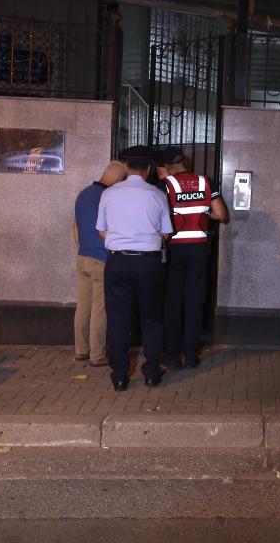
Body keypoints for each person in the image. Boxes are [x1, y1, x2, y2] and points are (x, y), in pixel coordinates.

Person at [96, 146, 174, 391]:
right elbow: (166, 233)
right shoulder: (158, 196)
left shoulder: (109, 194)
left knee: (118, 320)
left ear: (127, 168)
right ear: (149, 170)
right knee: (152, 319)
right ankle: (151, 372)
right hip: (148, 263)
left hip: (117, 262)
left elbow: (101, 229)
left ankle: (120, 375)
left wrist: (119, 241)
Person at [159, 147, 230, 369]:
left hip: (174, 250)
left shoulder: (165, 186)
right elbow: (222, 215)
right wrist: (201, 214)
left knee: (172, 303)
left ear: (165, 167)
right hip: (199, 250)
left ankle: (172, 357)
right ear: (184, 163)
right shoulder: (205, 182)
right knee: (194, 302)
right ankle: (190, 356)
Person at [72, 161, 126, 366]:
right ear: (119, 180)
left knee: (83, 307)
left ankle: (81, 350)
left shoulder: (83, 194)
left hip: (82, 257)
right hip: (100, 259)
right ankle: (97, 355)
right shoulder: (108, 197)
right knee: (99, 310)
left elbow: (75, 225)